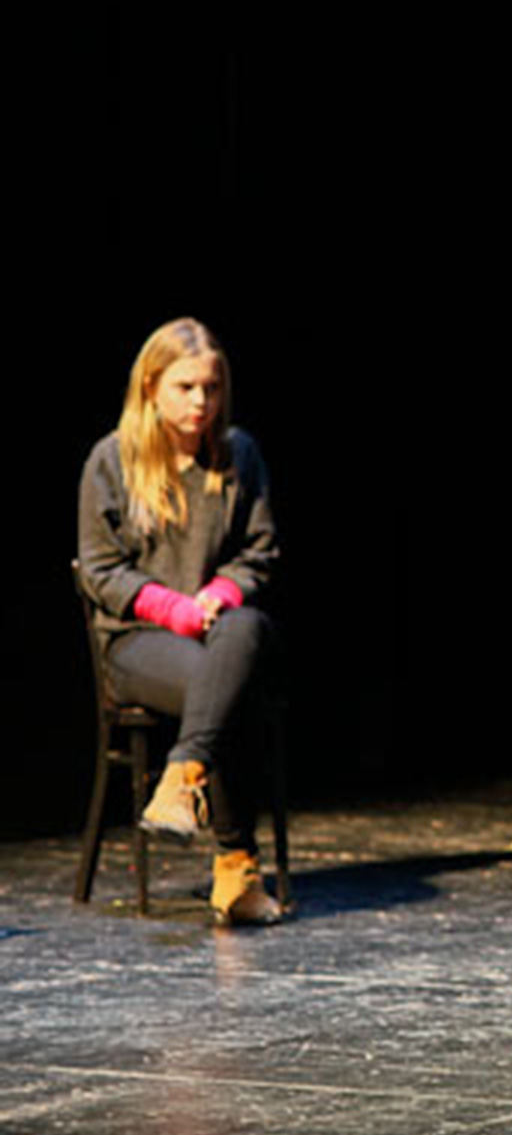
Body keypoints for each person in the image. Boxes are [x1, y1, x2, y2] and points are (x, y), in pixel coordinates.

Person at [77, 317, 285, 926]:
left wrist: (222, 590)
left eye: (211, 388)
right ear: (151, 387)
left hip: (222, 632)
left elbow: (260, 551)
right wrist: (171, 608)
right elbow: (99, 568)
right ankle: (236, 866)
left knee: (244, 637)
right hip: (138, 641)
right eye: (186, 387)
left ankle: (180, 775)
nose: (201, 402)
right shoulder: (111, 460)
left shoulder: (238, 454)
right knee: (222, 684)